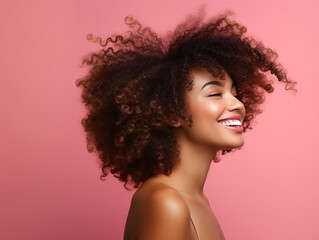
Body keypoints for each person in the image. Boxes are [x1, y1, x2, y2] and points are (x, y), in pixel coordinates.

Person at [76, 9, 296, 240]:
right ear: (172, 112)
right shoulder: (165, 203)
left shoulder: (195, 201)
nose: (237, 104)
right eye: (214, 94)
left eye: (234, 93)